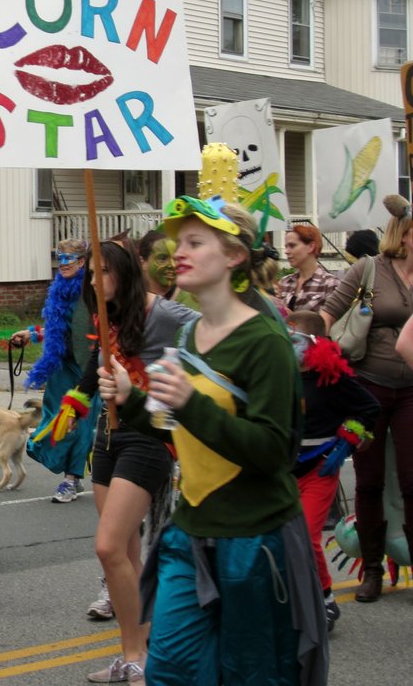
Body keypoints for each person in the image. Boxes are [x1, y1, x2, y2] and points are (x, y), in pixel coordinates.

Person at [100, 196, 327, 686]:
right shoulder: (188, 337)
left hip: (255, 538)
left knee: (253, 675)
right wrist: (131, 400)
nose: (178, 252)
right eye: (177, 243)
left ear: (234, 256)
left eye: (195, 242)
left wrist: (189, 404)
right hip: (190, 532)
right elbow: (177, 429)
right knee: (171, 671)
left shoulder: (265, 342)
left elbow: (273, 452)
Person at [80, 239, 197, 683]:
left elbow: (211, 329)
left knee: (108, 546)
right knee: (124, 553)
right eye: (90, 272)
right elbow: (96, 366)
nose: (94, 280)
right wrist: (75, 402)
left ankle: (138, 656)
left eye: (103, 271)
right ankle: (141, 650)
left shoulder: (162, 312)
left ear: (125, 271)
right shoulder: (105, 314)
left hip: (147, 437)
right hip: (106, 435)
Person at [321, 193, 413, 603]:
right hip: (369, 388)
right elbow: (327, 315)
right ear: (404, 235)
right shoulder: (370, 268)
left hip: (411, 389)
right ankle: (372, 570)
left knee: (412, 480)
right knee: (370, 479)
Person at [285, 310, 378, 632]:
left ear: (315, 342)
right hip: (284, 470)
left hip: (320, 469)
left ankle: (325, 599)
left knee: (306, 536)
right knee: (282, 537)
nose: (289, 345)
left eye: (295, 339)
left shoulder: (332, 379)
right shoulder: (282, 376)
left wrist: (349, 437)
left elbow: (369, 408)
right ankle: (292, 599)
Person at [11, 239, 94, 504]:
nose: (63, 263)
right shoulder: (59, 288)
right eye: (60, 258)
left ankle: (70, 479)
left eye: (69, 258)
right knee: (55, 419)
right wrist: (32, 334)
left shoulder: (90, 291)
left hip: (86, 366)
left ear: (82, 262)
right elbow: (59, 329)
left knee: (79, 422)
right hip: (62, 366)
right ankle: (73, 474)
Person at [276, 224, 339, 313]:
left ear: (311, 247)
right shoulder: (284, 282)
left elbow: (332, 319)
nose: (286, 251)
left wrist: (293, 317)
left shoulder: (330, 284)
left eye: (292, 246)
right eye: (286, 246)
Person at [138, 229, 197, 310]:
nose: (172, 265)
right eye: (162, 258)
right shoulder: (130, 299)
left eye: (176, 259)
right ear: (142, 263)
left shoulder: (194, 300)